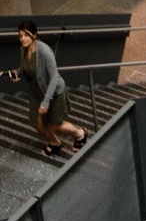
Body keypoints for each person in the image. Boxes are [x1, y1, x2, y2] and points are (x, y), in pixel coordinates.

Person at [8, 20, 87, 157]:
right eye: (20, 36)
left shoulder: (44, 51)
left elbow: (54, 77)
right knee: (37, 123)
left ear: (34, 35)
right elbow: (27, 66)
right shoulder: (24, 49)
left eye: (26, 35)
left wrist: (46, 102)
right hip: (36, 92)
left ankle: (80, 133)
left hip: (53, 93)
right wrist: (18, 72)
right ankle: (55, 143)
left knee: (55, 125)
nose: (22, 39)